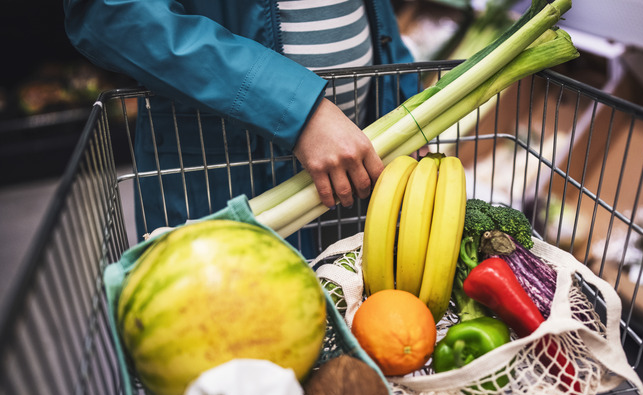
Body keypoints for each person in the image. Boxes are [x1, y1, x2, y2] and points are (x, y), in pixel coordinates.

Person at [62, 0, 417, 255]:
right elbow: (108, 12)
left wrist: (402, 98)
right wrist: (296, 109)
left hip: (359, 168)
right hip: (226, 176)